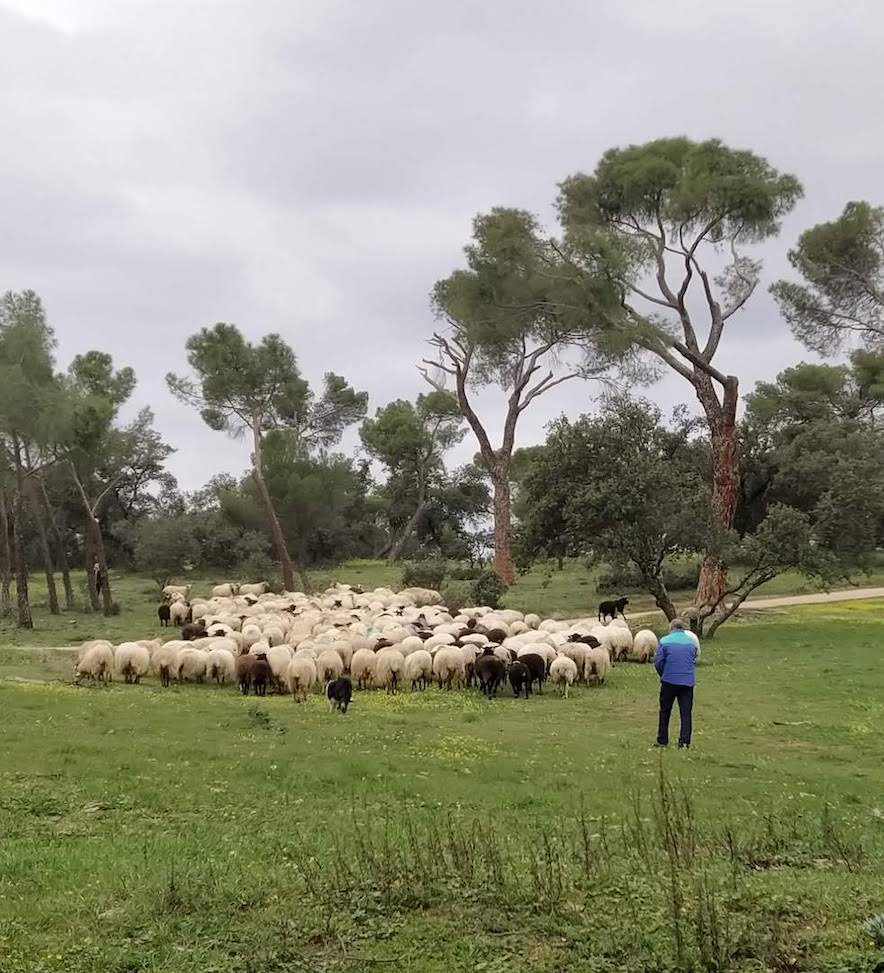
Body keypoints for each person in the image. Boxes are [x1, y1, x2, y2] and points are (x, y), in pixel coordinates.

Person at [654, 618, 697, 748]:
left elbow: (658, 662)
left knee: (665, 710)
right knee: (686, 712)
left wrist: (664, 674)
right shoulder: (691, 643)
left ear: (671, 628)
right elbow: (693, 660)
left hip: (669, 681)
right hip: (687, 683)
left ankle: (662, 740)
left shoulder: (664, 641)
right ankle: (684, 742)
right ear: (683, 629)